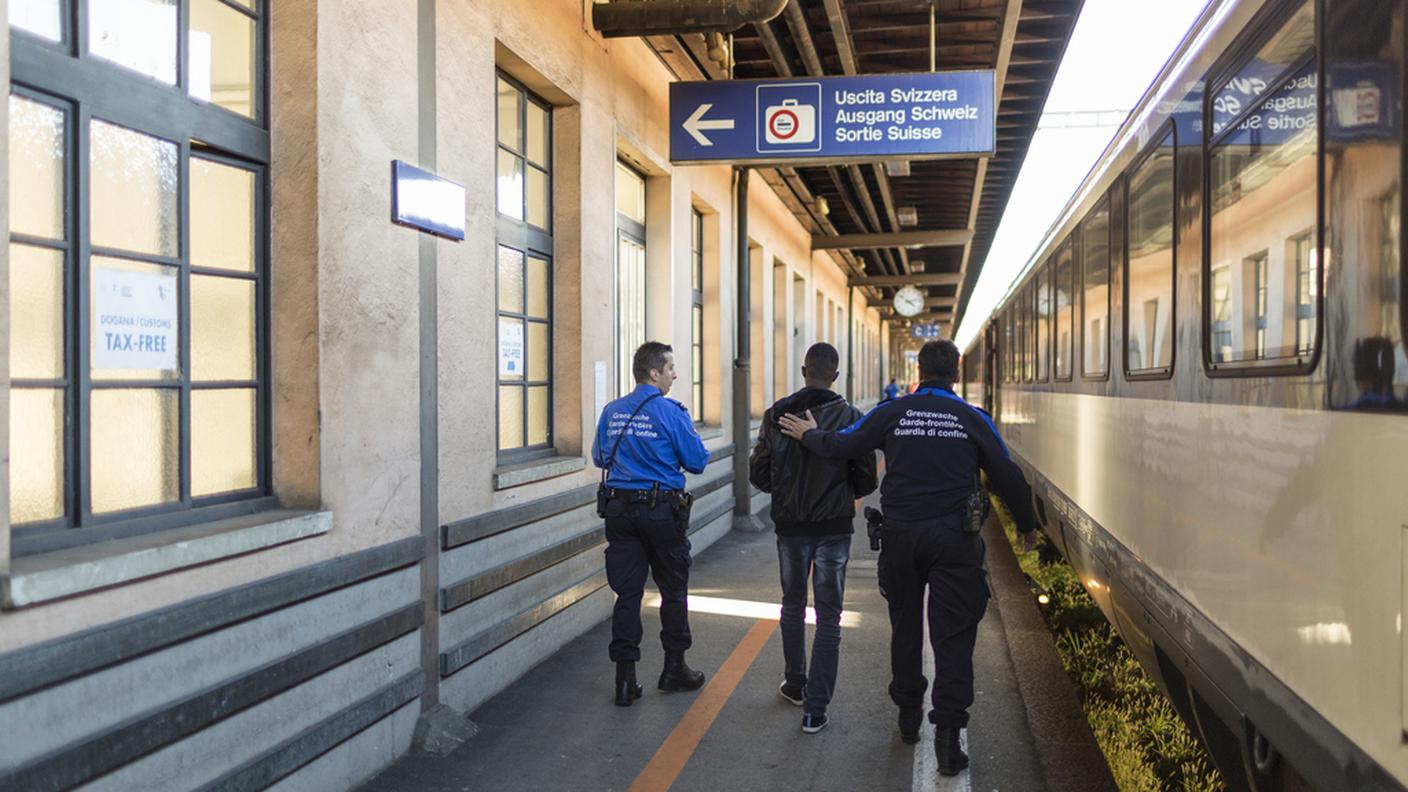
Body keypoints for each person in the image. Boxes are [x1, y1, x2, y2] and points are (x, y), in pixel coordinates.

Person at [778, 339, 1038, 776]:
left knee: (905, 628)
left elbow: (845, 444)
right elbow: (1006, 473)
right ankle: (949, 742)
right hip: (956, 540)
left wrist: (810, 435)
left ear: (919, 371)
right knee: (952, 638)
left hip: (900, 538)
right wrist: (1028, 525)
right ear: (955, 373)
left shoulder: (893, 412)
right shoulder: (972, 418)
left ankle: (908, 717)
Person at [748, 343, 879, 734]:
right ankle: (816, 710)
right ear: (835, 377)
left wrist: (787, 491)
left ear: (804, 370)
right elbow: (868, 479)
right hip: (835, 527)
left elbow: (759, 473)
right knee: (829, 617)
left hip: (790, 528)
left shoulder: (777, 415)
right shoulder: (852, 417)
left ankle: (794, 683)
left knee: (792, 605)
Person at [592, 341, 711, 706]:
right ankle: (673, 669)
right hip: (661, 513)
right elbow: (697, 461)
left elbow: (599, 456)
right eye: (671, 367)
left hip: (619, 513)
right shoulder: (671, 412)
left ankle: (625, 680)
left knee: (627, 594)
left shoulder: (612, 411)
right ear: (654, 373)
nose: (675, 374)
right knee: (673, 590)